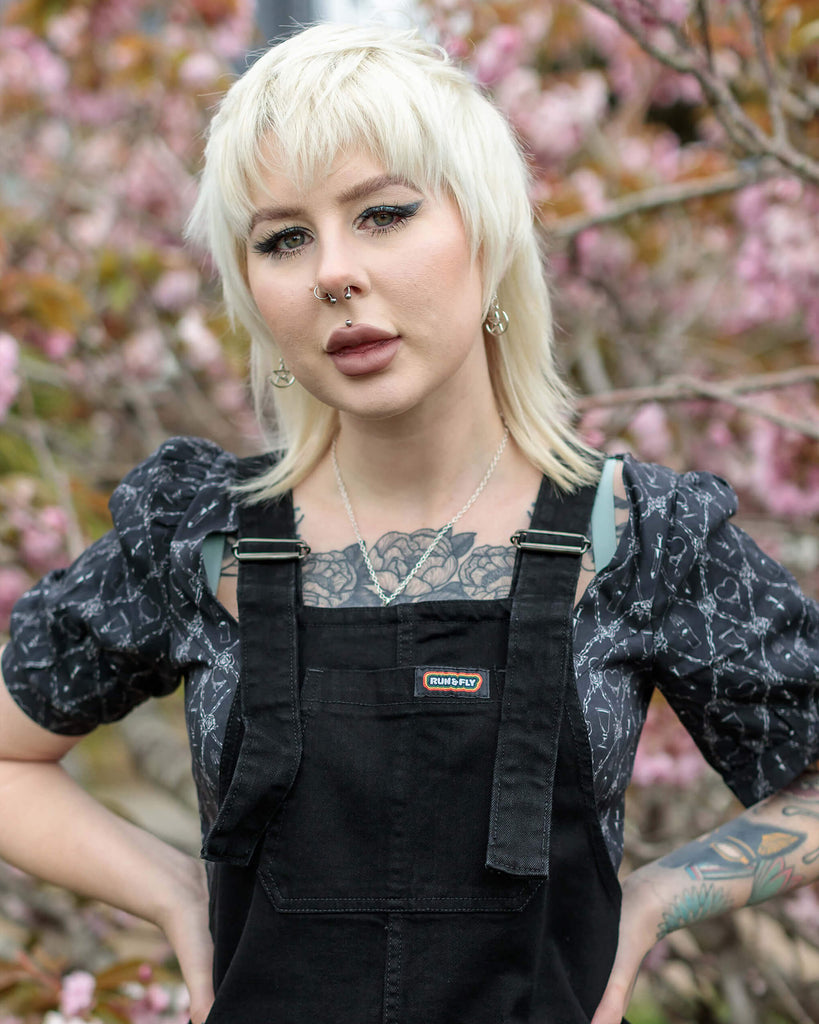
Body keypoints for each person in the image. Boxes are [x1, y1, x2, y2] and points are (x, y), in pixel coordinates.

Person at [1, 21, 818, 1024]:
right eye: (283, 238)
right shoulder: (197, 534)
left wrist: (653, 898)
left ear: (486, 229)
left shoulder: (639, 537)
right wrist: (174, 890)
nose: (333, 271)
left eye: (382, 213)